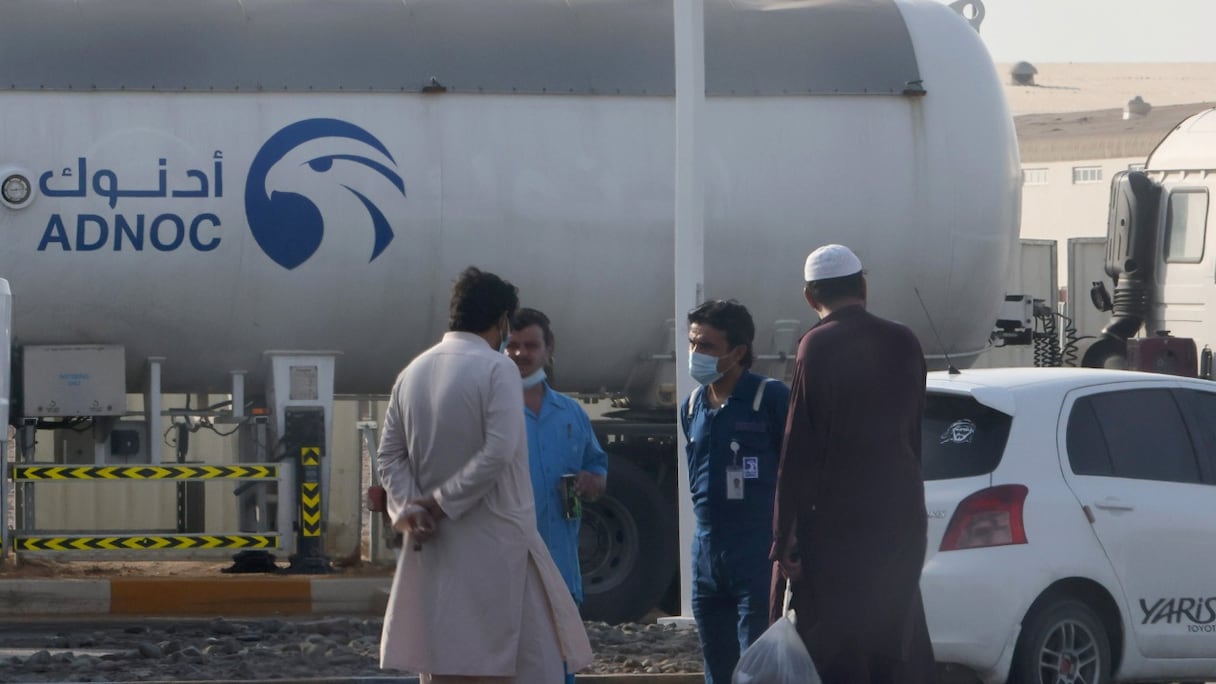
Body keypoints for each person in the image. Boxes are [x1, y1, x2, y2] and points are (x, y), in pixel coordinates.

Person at [376, 266, 592, 684]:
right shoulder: (498, 370)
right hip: (498, 545)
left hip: (434, 547)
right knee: (522, 665)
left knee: (444, 663)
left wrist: (409, 508)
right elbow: (499, 450)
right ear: (502, 322)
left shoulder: (412, 372)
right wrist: (439, 504)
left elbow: (389, 456)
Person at [770, 244, 936, 683]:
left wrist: (783, 534)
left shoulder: (816, 346)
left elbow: (797, 447)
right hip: (900, 519)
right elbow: (914, 433)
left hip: (835, 528)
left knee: (838, 651)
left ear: (810, 297)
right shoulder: (904, 339)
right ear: (863, 286)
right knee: (894, 640)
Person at [679, 299, 790, 684]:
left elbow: (795, 470)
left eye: (707, 346)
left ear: (739, 351)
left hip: (756, 550)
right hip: (707, 552)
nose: (696, 354)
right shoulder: (692, 405)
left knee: (756, 663)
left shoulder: (770, 398)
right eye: (692, 344)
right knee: (717, 665)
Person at [505, 307, 608, 684]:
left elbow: (598, 470)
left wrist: (591, 481)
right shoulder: (492, 411)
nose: (520, 354)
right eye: (511, 346)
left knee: (560, 667)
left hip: (560, 564)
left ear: (549, 349)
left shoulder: (571, 414)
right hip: (507, 565)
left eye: (530, 345)